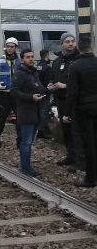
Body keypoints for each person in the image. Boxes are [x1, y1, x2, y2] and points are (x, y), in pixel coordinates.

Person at [64, 36, 97, 187]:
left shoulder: (75, 66)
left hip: (84, 109)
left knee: (89, 144)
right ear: (91, 46)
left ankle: (91, 178)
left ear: (79, 48)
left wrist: (67, 113)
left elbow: (72, 93)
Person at [50, 33, 84, 170]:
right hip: (60, 99)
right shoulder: (57, 61)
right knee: (66, 129)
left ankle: (80, 160)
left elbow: (84, 83)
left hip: (75, 101)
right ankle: (70, 155)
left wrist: (65, 85)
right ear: (62, 44)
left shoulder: (79, 60)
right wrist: (51, 85)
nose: (70, 44)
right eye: (67, 41)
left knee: (76, 130)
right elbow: (52, 77)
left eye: (72, 41)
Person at [10, 49, 46, 177]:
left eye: (32, 56)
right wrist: (30, 97)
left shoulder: (33, 72)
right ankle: (25, 169)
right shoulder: (20, 74)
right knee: (26, 141)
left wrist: (47, 89)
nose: (31, 59)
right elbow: (13, 91)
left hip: (36, 111)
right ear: (22, 59)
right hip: (26, 112)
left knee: (29, 141)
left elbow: (38, 87)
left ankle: (27, 167)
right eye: (28, 57)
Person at [0, 37, 21, 147]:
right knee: (2, 118)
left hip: (16, 94)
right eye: (8, 46)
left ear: (15, 48)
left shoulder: (20, 62)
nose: (10, 48)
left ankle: (20, 141)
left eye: (12, 46)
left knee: (19, 118)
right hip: (3, 95)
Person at [36, 50, 53, 139]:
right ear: (47, 56)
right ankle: (41, 131)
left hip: (38, 91)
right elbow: (48, 81)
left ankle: (43, 128)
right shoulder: (47, 67)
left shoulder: (38, 66)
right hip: (45, 92)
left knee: (40, 110)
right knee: (45, 111)